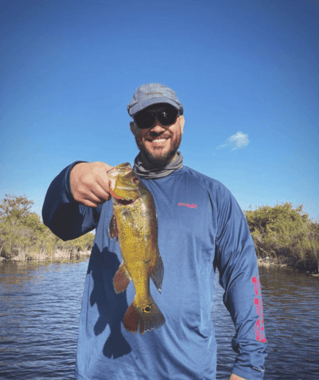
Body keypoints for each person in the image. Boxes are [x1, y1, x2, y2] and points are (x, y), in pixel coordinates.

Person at [42, 83, 267, 380]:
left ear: (181, 122)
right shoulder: (108, 190)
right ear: (134, 128)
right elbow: (58, 224)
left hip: (188, 370)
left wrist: (250, 365)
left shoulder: (215, 196)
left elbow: (243, 277)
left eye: (166, 115)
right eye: (146, 120)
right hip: (105, 371)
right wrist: (69, 180)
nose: (157, 126)